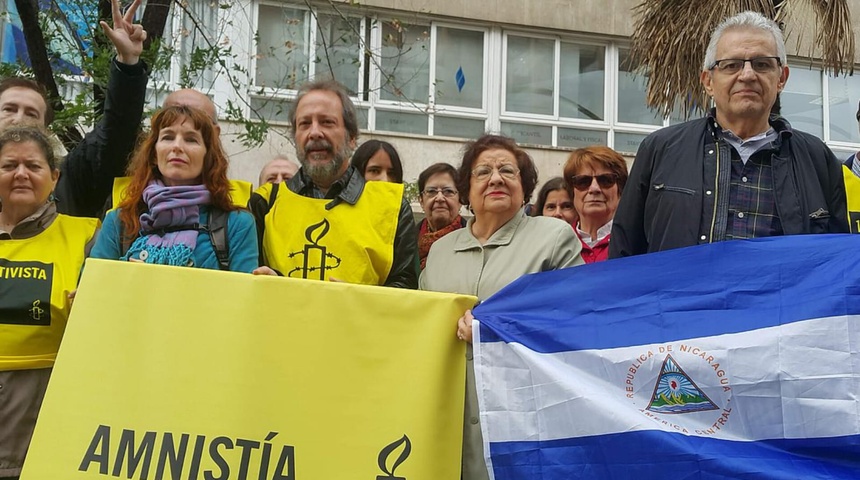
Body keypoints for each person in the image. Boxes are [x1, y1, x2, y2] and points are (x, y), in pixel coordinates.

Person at [610, 10, 848, 258]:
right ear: (708, 81)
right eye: (731, 65)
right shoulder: (660, 150)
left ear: (781, 78)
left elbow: (836, 264)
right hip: (682, 297)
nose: (747, 75)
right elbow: (624, 253)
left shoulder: (817, 159)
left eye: (762, 64)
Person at [419, 134, 583, 480]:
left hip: (523, 423)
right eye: (483, 172)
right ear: (466, 190)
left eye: (508, 171)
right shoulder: (440, 251)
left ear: (524, 188)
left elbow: (573, 320)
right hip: (446, 424)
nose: (495, 178)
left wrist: (491, 328)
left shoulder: (553, 237)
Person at [249, 80, 418, 288]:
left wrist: (356, 303)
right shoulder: (265, 203)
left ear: (352, 138)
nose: (315, 132)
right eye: (304, 124)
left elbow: (406, 290)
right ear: (295, 137)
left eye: (327, 122)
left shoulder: (392, 207)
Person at [0, 126, 99, 479]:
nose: (21, 174)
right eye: (9, 165)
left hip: (45, 422)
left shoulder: (89, 234)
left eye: (34, 166)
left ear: (54, 178)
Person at [0, 0, 149, 218]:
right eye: (9, 109)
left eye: (32, 113)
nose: (19, 119)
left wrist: (128, 64)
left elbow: (115, 132)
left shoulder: (69, 180)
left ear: (46, 128)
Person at [89, 105, 258, 272]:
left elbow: (243, 297)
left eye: (191, 139)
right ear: (154, 154)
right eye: (168, 137)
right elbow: (91, 289)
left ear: (207, 157)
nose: (177, 146)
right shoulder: (120, 221)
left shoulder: (237, 224)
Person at [563, 146, 628, 263]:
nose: (594, 188)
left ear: (620, 190)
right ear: (572, 191)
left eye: (606, 180)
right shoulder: (556, 245)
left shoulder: (636, 243)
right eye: (583, 181)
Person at [416, 162, 465, 269]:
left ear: (460, 200)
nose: (439, 198)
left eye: (448, 191)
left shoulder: (474, 240)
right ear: (421, 201)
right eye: (431, 191)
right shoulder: (406, 240)